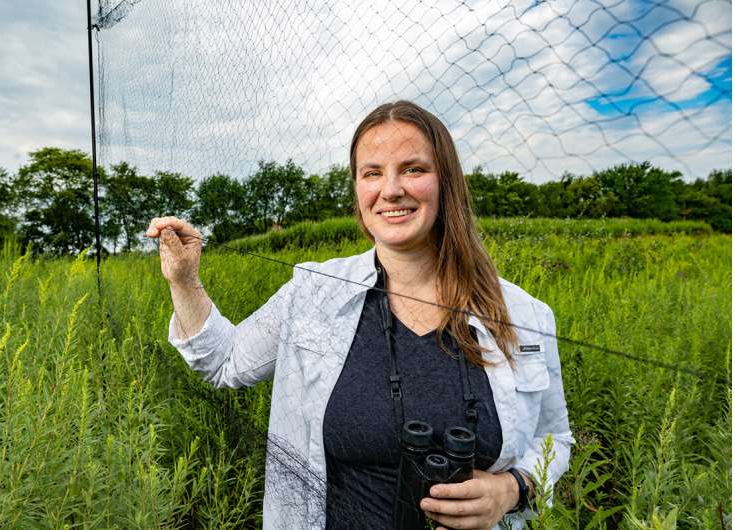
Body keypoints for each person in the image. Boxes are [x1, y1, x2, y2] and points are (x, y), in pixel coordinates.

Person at [147, 100, 574, 530]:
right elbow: (224, 362)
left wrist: (513, 489)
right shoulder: (312, 292)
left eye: (413, 169)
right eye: (372, 173)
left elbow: (555, 438)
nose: (391, 190)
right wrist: (184, 281)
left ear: (447, 182)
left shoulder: (523, 314)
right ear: (357, 188)